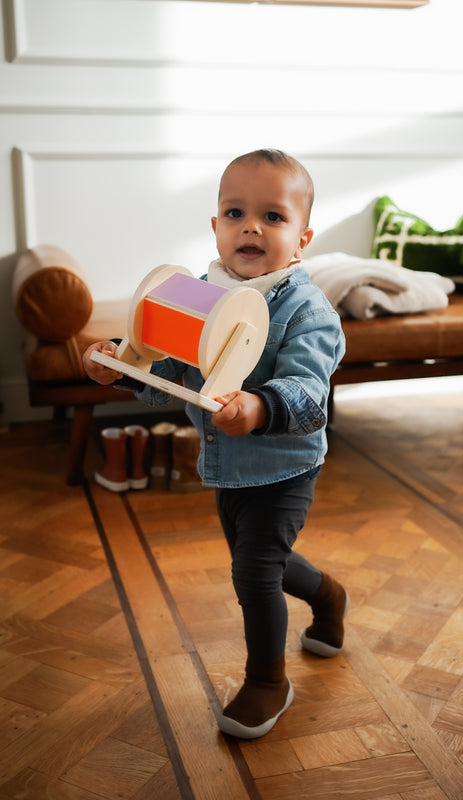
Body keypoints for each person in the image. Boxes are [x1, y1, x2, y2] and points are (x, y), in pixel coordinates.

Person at [83, 149, 348, 739]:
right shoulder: (201, 294)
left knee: (254, 573)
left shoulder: (308, 308)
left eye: (273, 217)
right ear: (216, 227)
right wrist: (120, 367)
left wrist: (260, 406)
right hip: (226, 465)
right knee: (264, 563)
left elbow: (309, 392)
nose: (251, 226)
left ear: (301, 239)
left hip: (285, 466)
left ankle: (266, 681)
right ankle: (329, 595)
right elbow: (169, 371)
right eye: (235, 212)